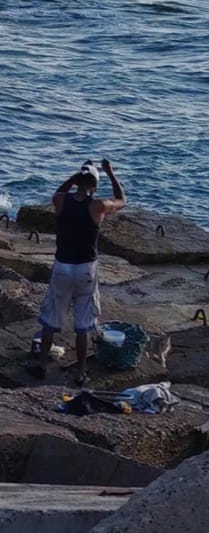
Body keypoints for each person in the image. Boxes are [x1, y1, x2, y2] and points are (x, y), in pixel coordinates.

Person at [28, 158, 126, 385]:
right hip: (86, 270)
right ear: (95, 184)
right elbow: (122, 200)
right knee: (83, 325)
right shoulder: (98, 206)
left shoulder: (61, 200)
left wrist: (73, 179)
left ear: (76, 181)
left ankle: (42, 365)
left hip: (62, 267)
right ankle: (81, 372)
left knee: (51, 320)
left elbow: (57, 192)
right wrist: (111, 173)